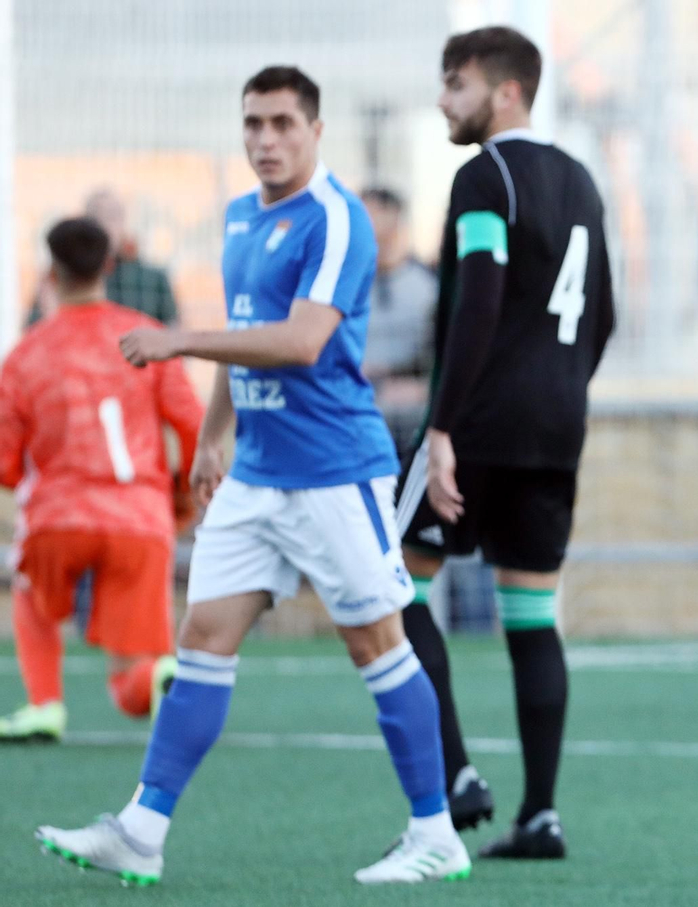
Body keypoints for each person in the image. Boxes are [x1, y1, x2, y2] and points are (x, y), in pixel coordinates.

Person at [33, 66, 469, 886]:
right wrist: (211, 435)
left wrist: (178, 340)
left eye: (281, 124)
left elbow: (301, 341)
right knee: (202, 640)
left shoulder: (336, 220)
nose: (265, 141)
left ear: (314, 130)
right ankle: (141, 828)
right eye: (253, 125)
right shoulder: (239, 217)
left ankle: (436, 831)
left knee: (379, 644)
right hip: (257, 476)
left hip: (336, 473)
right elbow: (247, 332)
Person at [395, 26, 615, 859]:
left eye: (456, 85)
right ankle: (542, 815)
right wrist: (558, 393)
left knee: (391, 589)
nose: (445, 101)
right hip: (556, 427)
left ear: (507, 91)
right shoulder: (581, 180)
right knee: (531, 617)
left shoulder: (483, 175)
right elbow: (605, 315)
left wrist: (443, 425)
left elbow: (479, 301)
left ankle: (453, 773)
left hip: (477, 423)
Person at [0, 218, 202, 743]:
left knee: (31, 595)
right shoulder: (147, 338)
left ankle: (45, 704)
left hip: (57, 514)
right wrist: (181, 491)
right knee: (130, 677)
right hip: (140, 517)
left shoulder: (26, 354)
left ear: (51, 271)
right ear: (111, 266)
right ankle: (152, 676)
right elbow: (193, 423)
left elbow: (4, 460)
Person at [30, 189, 181, 327]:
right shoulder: (62, 279)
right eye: (96, 216)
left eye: (113, 215)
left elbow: (174, 336)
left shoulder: (152, 280)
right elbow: (35, 333)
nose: (106, 224)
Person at [360, 187, 436, 451]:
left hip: (415, 427)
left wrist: (418, 386)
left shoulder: (429, 286)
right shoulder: (347, 288)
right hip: (359, 425)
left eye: (371, 215)